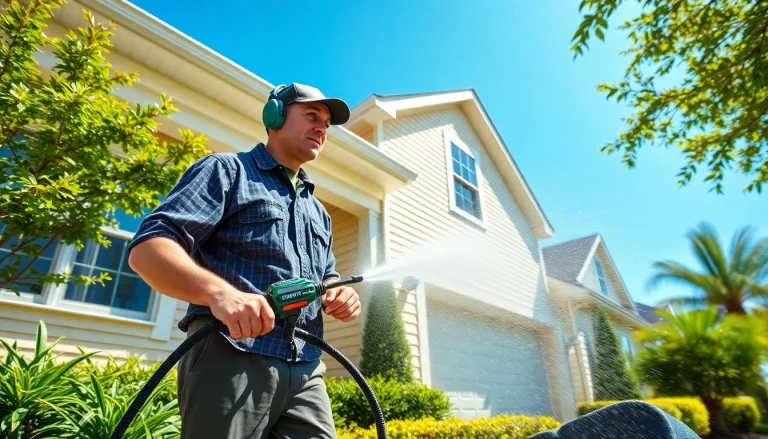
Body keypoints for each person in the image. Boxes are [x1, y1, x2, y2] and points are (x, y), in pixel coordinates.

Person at [127, 82, 361, 439]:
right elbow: (149, 248)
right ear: (275, 116)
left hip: (306, 366)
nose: (321, 128)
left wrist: (337, 292)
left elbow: (327, 275)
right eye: (312, 115)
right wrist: (220, 295)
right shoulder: (227, 172)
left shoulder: (319, 212)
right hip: (231, 354)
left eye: (327, 124)